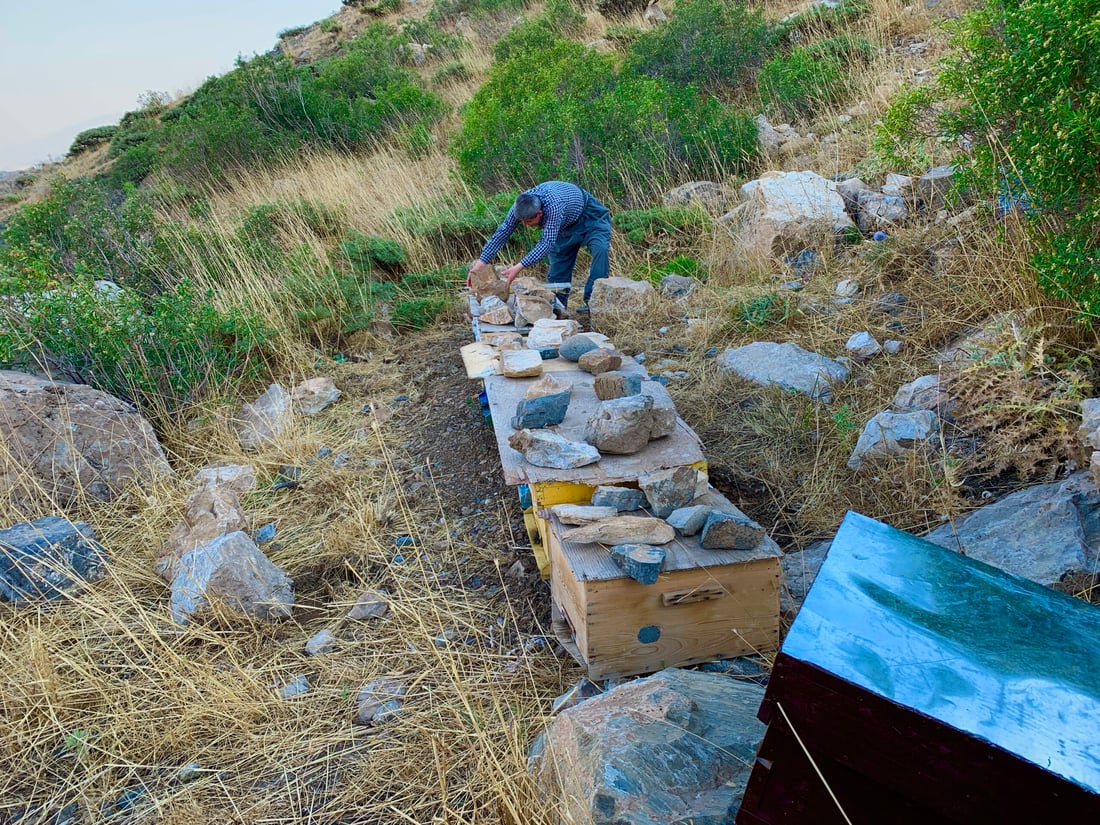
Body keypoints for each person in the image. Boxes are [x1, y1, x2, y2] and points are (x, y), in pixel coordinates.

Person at [466, 181, 611, 309]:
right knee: (557, 274)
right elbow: (502, 233)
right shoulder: (521, 206)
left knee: (601, 250)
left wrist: (518, 267)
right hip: (562, 229)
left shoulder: (554, 206)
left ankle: (592, 303)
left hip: (589, 217)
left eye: (528, 221)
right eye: (521, 221)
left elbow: (546, 244)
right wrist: (479, 265)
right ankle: (557, 312)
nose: (525, 225)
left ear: (539, 213)